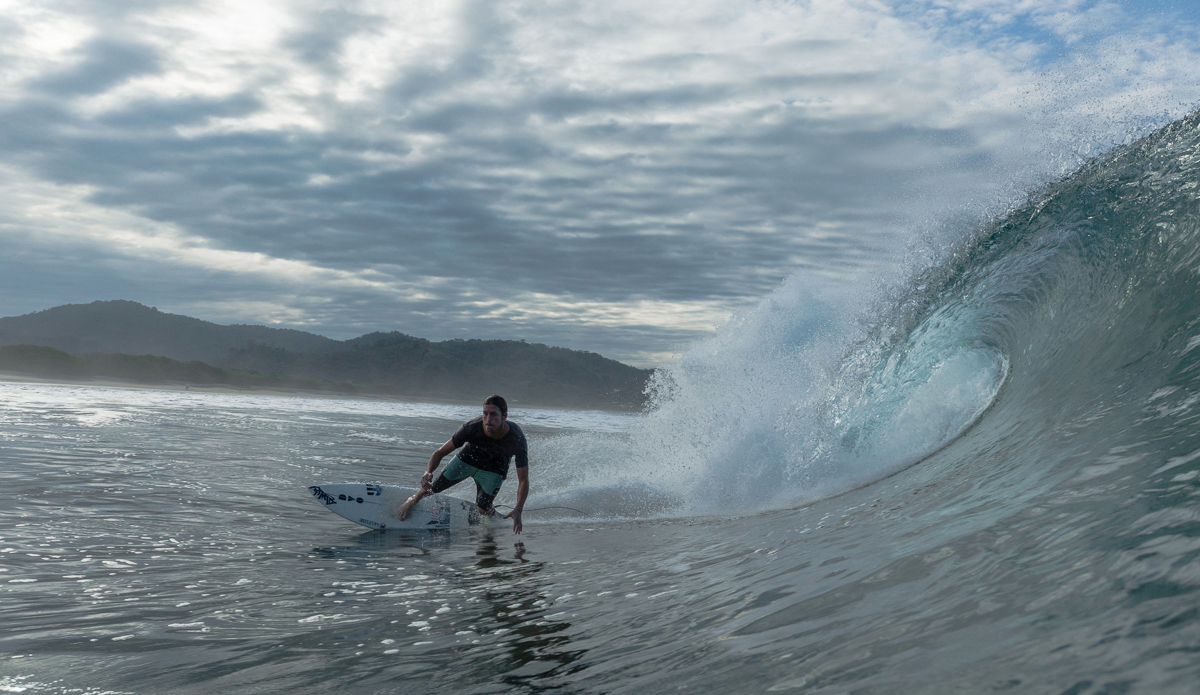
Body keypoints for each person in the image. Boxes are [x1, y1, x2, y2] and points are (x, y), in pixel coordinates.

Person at [397, 395, 529, 533]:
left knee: (482, 510)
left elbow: (523, 480)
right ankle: (412, 500)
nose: (488, 419)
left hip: (495, 469)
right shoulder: (471, 428)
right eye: (485, 413)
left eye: (493, 414)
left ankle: (491, 512)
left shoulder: (517, 439)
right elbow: (439, 453)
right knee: (433, 487)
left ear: (504, 416)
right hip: (468, 459)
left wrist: (518, 509)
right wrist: (427, 472)